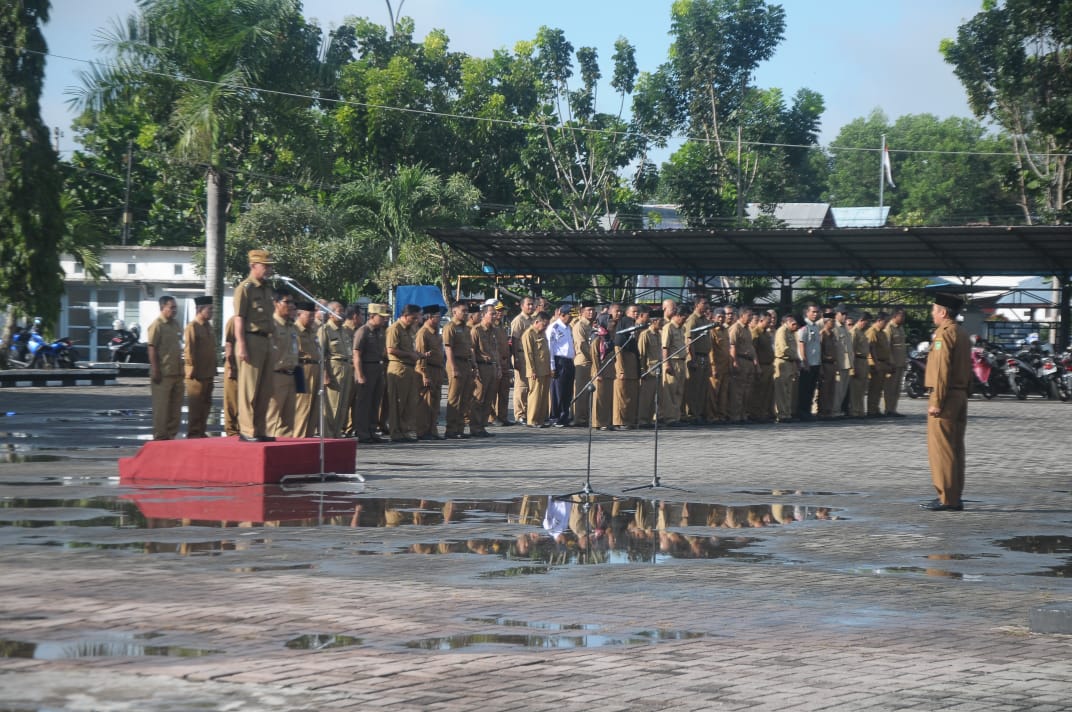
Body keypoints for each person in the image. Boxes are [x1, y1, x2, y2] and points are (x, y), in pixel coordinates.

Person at [922, 294, 971, 511]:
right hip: (959, 395)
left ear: (943, 312)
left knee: (942, 449)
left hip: (946, 396)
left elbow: (941, 371)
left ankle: (946, 498)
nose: (932, 314)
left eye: (934, 310)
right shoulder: (961, 332)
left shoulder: (944, 334)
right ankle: (954, 494)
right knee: (955, 448)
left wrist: (937, 401)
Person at [233, 249, 277, 442]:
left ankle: (260, 429)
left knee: (264, 389)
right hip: (250, 339)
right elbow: (239, 319)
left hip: (266, 340)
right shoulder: (245, 288)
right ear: (253, 266)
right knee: (249, 389)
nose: (268, 269)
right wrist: (241, 345)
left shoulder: (267, 289)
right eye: (265, 266)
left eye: (269, 266)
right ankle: (247, 430)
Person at [386, 304, 425, 443]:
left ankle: (404, 430)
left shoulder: (409, 330)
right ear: (406, 315)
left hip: (409, 368)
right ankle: (395, 432)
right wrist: (409, 354)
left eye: (418, 318)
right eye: (414, 318)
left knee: (409, 402)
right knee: (398, 402)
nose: (416, 321)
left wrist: (417, 354)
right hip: (399, 367)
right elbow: (390, 349)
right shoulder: (395, 329)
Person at [147, 295, 183, 440]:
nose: (174, 310)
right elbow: (152, 348)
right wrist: (155, 369)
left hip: (177, 372)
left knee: (175, 409)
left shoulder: (176, 324)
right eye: (172, 307)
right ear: (163, 308)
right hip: (163, 373)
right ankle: (160, 437)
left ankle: (171, 436)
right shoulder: (157, 325)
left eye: (176, 307)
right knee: (161, 409)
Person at [353, 303, 388, 443]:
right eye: (382, 317)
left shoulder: (380, 331)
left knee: (375, 402)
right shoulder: (363, 331)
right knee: (364, 403)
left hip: (378, 369)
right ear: (372, 316)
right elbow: (356, 355)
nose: (385, 319)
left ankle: (372, 430)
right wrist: (360, 375)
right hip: (366, 368)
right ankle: (363, 432)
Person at [266, 291, 299, 437]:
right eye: (287, 302)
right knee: (272, 417)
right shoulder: (271, 325)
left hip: (292, 374)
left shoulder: (291, 326)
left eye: (292, 302)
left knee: (289, 419)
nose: (291, 305)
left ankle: (284, 451)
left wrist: (299, 381)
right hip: (276, 376)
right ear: (276, 303)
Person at [444, 301, 478, 439]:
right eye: (463, 311)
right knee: (454, 398)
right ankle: (451, 429)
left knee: (465, 398)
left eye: (467, 311)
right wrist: (453, 368)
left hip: (466, 363)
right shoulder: (450, 327)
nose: (466, 313)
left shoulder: (466, 328)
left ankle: (460, 428)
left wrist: (473, 364)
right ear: (454, 312)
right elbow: (448, 348)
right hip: (455, 363)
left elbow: (470, 348)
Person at [318, 302, 352, 439]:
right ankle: (328, 435)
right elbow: (321, 354)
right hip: (334, 368)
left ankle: (337, 433)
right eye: (340, 310)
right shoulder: (325, 330)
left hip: (346, 367)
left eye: (343, 310)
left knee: (343, 404)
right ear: (330, 313)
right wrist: (325, 374)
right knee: (333, 404)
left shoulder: (344, 330)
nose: (343, 312)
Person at [183, 296, 216, 438]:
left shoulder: (209, 327)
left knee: (206, 405)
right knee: (196, 407)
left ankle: (201, 431)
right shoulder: (192, 327)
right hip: (196, 374)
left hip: (208, 373)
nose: (212, 312)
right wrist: (191, 370)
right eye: (209, 309)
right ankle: (194, 433)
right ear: (199, 309)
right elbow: (189, 350)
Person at [415, 305, 446, 440]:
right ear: (429, 317)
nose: (439, 319)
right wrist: (424, 374)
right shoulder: (423, 333)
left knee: (435, 403)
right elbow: (421, 356)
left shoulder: (436, 333)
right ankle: (422, 431)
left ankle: (433, 430)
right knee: (425, 403)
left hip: (438, 369)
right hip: (428, 369)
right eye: (437, 317)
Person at [469, 304, 500, 438]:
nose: (495, 316)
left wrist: (498, 367)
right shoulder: (476, 330)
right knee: (479, 398)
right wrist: (475, 368)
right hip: (481, 366)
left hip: (492, 366)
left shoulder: (493, 331)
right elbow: (472, 350)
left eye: (495, 314)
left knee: (489, 399)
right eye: (492, 314)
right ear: (483, 314)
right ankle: (475, 427)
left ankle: (482, 426)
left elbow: (495, 351)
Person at [293, 301, 321, 438]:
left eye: (313, 316)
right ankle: (298, 439)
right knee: (303, 407)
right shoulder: (295, 330)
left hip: (315, 368)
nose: (312, 319)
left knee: (314, 408)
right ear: (299, 314)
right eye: (309, 316)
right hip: (302, 368)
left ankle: (309, 438)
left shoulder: (312, 331)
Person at [683, 296, 711, 423]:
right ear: (697, 305)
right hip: (696, 356)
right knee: (693, 388)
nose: (706, 305)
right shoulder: (692, 320)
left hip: (705, 356)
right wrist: (693, 359)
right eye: (704, 303)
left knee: (702, 387)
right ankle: (692, 414)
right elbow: (689, 340)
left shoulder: (705, 320)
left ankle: (699, 413)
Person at [547, 304, 576, 427]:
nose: (572, 318)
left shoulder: (568, 328)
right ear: (562, 314)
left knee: (567, 391)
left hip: (569, 361)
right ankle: (555, 416)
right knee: (557, 390)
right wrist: (552, 366)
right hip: (559, 361)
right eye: (570, 315)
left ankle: (564, 415)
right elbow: (550, 348)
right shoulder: (554, 327)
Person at [523, 311, 552, 427]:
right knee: (535, 395)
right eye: (544, 324)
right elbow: (528, 354)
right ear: (536, 322)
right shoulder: (528, 334)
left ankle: (540, 420)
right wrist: (532, 370)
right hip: (536, 371)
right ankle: (532, 420)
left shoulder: (542, 333)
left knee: (543, 396)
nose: (545, 327)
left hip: (544, 369)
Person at [509, 297, 536, 425]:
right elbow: (514, 341)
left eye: (532, 304)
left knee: (530, 385)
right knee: (521, 386)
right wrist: (516, 359)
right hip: (520, 354)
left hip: (530, 355)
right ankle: (519, 414)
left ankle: (528, 412)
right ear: (522, 306)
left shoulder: (533, 320)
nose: (531, 307)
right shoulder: (519, 320)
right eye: (528, 304)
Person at [727, 305, 757, 423]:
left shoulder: (747, 329)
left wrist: (755, 363)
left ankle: (743, 414)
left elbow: (751, 347)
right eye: (749, 315)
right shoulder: (736, 328)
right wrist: (734, 362)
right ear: (742, 315)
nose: (751, 318)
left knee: (747, 390)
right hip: (740, 360)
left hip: (748, 361)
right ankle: (735, 415)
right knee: (737, 391)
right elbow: (732, 346)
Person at [660, 306, 688, 426]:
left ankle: (676, 417)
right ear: (676, 316)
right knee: (670, 390)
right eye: (683, 317)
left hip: (682, 362)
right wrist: (666, 363)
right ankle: (669, 417)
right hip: (672, 361)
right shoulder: (668, 327)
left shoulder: (682, 328)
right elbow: (665, 347)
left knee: (679, 390)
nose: (684, 320)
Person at [637, 307, 662, 428]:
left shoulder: (659, 334)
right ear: (654, 321)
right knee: (645, 398)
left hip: (658, 369)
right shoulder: (645, 334)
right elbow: (641, 354)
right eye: (660, 321)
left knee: (654, 398)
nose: (662, 323)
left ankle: (650, 419)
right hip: (649, 370)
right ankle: (642, 420)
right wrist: (642, 371)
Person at [748, 310, 775, 423]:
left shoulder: (766, 333)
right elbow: (754, 351)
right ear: (761, 320)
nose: (770, 324)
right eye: (768, 322)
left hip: (769, 365)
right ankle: (755, 413)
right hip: (761, 365)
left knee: (767, 392)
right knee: (758, 391)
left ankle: (764, 413)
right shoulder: (756, 333)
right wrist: (757, 366)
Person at [571, 301, 595, 426]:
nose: (591, 312)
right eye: (588, 310)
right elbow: (582, 345)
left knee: (588, 391)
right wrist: (594, 357)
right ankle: (579, 418)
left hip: (591, 362)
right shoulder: (579, 325)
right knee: (581, 391)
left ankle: (586, 416)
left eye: (592, 310)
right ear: (581, 312)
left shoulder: (591, 325)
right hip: (583, 361)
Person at [773, 314, 800, 423]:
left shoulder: (792, 333)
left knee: (789, 390)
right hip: (782, 362)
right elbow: (784, 348)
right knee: (781, 391)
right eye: (793, 324)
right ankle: (782, 414)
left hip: (790, 363)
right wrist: (796, 357)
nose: (795, 326)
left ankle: (787, 413)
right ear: (786, 323)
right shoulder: (782, 331)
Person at [796, 303, 822, 420]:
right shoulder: (804, 327)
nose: (815, 314)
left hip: (816, 362)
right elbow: (801, 345)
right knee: (804, 389)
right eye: (813, 312)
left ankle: (807, 410)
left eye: (817, 312)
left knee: (811, 388)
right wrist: (804, 361)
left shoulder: (816, 327)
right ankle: (802, 411)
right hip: (807, 364)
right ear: (807, 313)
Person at [491, 304, 515, 426]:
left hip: (505, 362)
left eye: (502, 311)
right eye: (497, 311)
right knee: (493, 391)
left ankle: (503, 416)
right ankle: (492, 417)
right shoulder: (490, 327)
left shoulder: (502, 326)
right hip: (496, 362)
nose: (500, 313)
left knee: (504, 391)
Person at [867, 312, 892, 417]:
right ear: (879, 321)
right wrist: (876, 363)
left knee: (879, 389)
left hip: (883, 363)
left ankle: (875, 408)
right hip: (876, 363)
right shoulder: (872, 332)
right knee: (874, 388)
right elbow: (871, 349)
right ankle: (871, 410)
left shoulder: (883, 333)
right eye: (885, 322)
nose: (886, 324)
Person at [885, 307, 908, 417]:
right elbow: (887, 347)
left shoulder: (901, 328)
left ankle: (893, 409)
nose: (903, 318)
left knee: (897, 388)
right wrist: (890, 362)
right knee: (890, 388)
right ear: (895, 316)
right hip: (893, 364)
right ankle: (888, 409)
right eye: (901, 316)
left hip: (900, 363)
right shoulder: (889, 328)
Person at [849, 312, 872, 418]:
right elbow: (852, 350)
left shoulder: (862, 332)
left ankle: (860, 410)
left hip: (863, 361)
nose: (868, 325)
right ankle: (855, 410)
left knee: (862, 388)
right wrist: (852, 368)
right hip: (857, 361)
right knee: (856, 388)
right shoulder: (854, 332)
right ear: (861, 320)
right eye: (867, 322)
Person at [817, 311, 838, 419]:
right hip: (825, 365)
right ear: (826, 322)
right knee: (824, 390)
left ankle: (829, 410)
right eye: (832, 321)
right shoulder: (822, 335)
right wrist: (821, 368)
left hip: (833, 365)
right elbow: (819, 352)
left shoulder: (833, 334)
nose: (834, 323)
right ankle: (822, 410)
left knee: (831, 389)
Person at [222, 315, 240, 437]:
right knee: (232, 402)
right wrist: (231, 366)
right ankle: (232, 432)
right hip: (234, 368)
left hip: (245, 370)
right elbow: (229, 344)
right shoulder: (233, 321)